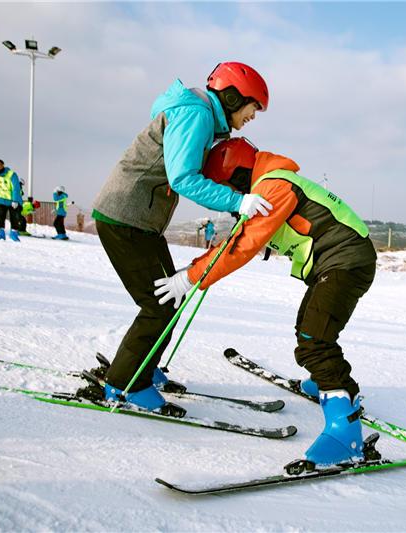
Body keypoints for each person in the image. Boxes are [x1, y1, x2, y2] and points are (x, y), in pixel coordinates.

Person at [154, 138, 377, 466]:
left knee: (314, 340)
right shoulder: (269, 183)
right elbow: (236, 238)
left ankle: (344, 430)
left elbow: (245, 244)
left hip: (344, 260)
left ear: (236, 176)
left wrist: (193, 277)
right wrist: (198, 268)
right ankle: (330, 383)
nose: (230, 201)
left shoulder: (272, 187)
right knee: (309, 329)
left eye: (226, 188)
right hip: (339, 260)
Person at [91, 62, 272, 414]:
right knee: (157, 305)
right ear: (233, 96)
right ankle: (125, 384)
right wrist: (239, 200)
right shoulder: (196, 115)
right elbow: (183, 178)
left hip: (140, 221)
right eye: (253, 107)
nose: (253, 115)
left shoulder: (198, 115)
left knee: (171, 299)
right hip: (124, 218)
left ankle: (144, 367)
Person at [0, 159, 22, 241]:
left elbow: (16, 188)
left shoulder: (12, 174)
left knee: (15, 218)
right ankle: (0, 233)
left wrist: (15, 200)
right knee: (0, 217)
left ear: (3, 165)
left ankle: (13, 234)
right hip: (1, 199)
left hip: (13, 201)